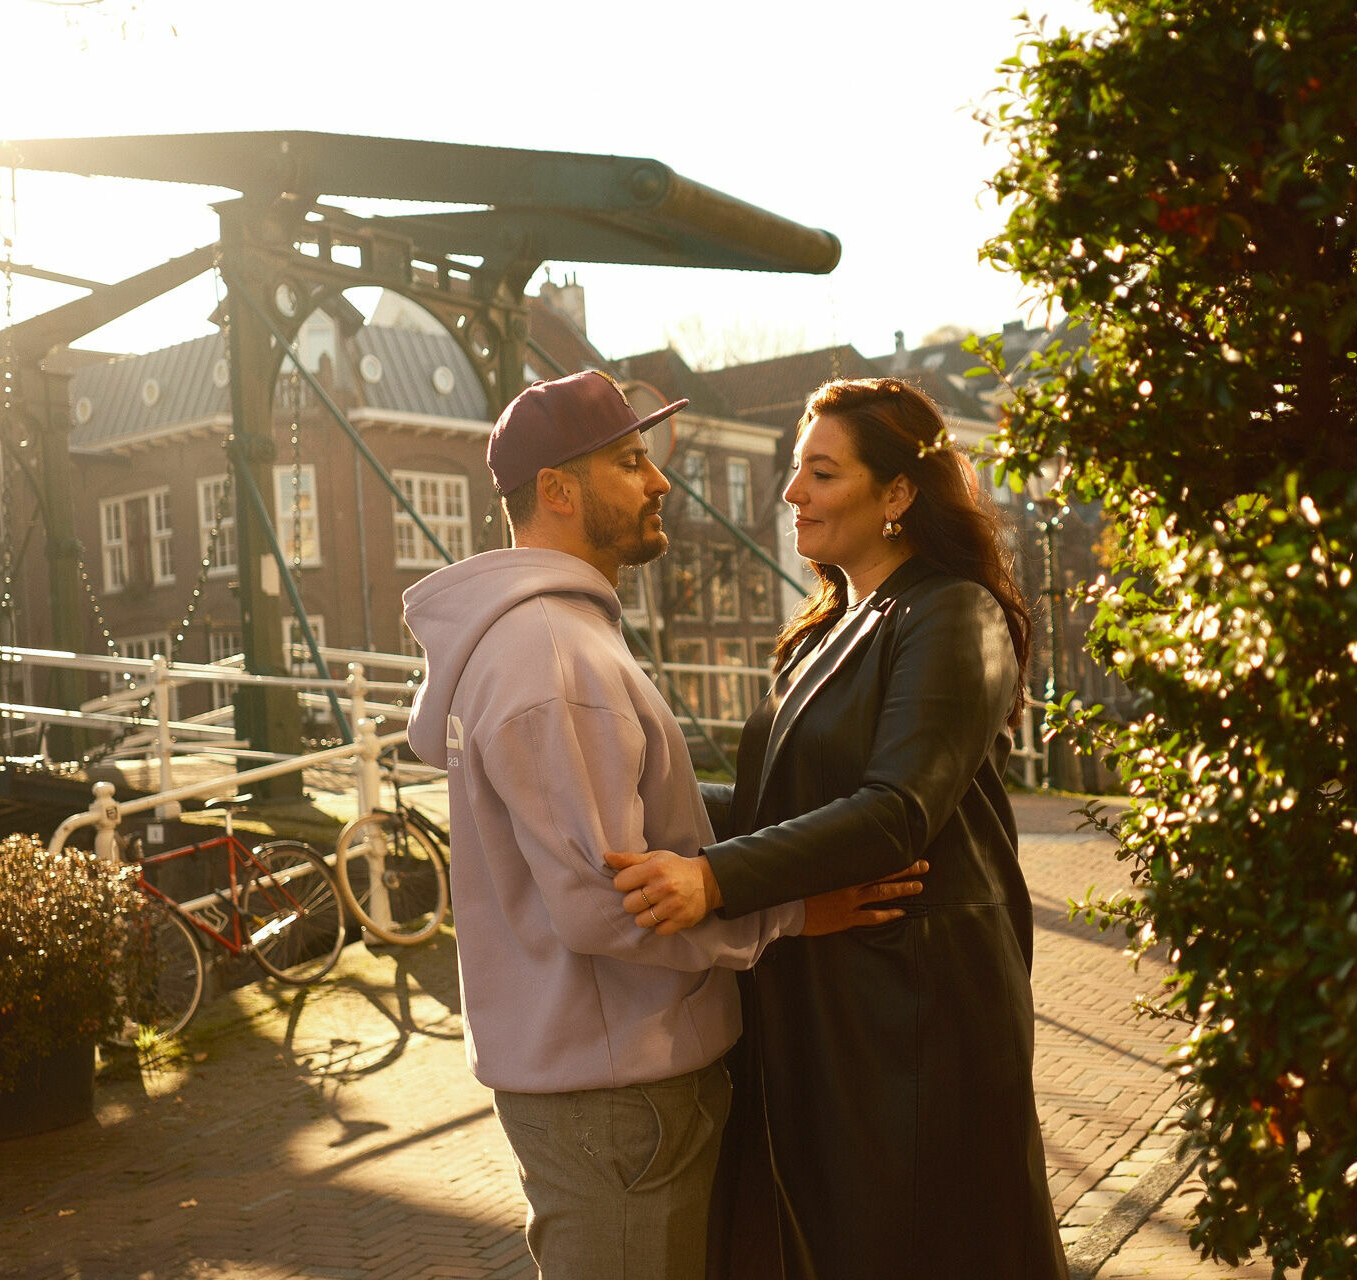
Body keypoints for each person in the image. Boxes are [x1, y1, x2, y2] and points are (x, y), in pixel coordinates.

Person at [403, 371, 924, 1280]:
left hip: (603, 1082)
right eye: (631, 461)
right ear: (558, 491)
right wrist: (796, 913)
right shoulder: (553, 655)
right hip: (620, 1093)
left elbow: (634, 834)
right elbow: (609, 906)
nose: (659, 483)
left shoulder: (550, 638)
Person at [604, 377, 1071, 1280]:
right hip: (823, 992)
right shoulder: (821, 630)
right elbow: (775, 799)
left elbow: (899, 808)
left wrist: (713, 881)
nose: (792, 494)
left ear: (897, 493)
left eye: (821, 472)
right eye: (793, 469)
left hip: (915, 1005)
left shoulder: (956, 613)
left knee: (922, 1247)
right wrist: (619, 784)